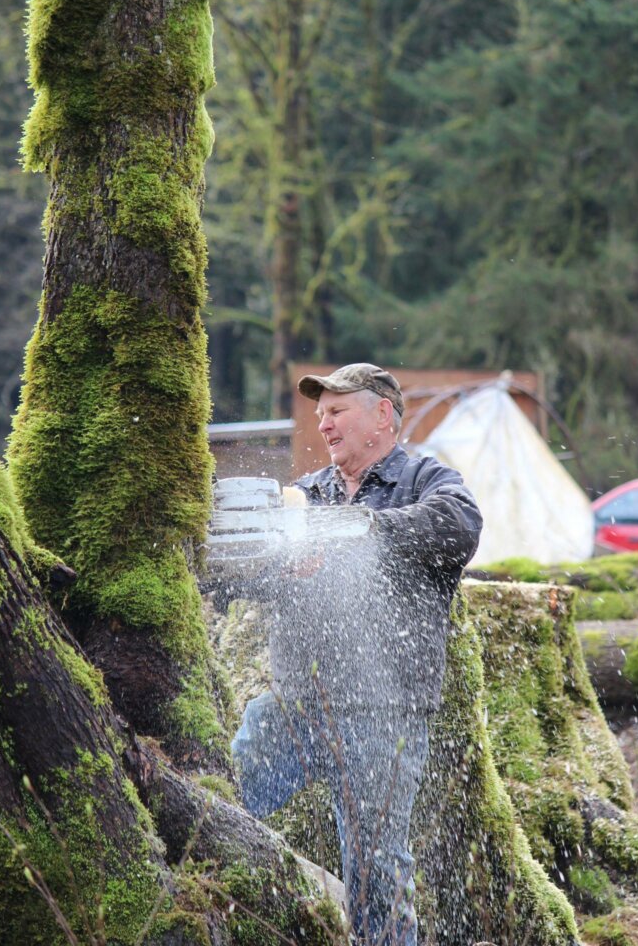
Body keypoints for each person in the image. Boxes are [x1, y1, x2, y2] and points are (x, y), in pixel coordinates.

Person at [232, 364, 482, 945]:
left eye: (337, 410)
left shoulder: (426, 480)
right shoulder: (308, 493)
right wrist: (280, 563)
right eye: (320, 413)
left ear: (382, 415)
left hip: (383, 714)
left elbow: (460, 527)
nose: (324, 423)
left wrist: (356, 529)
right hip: (295, 706)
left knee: (376, 871)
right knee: (217, 806)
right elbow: (248, 575)